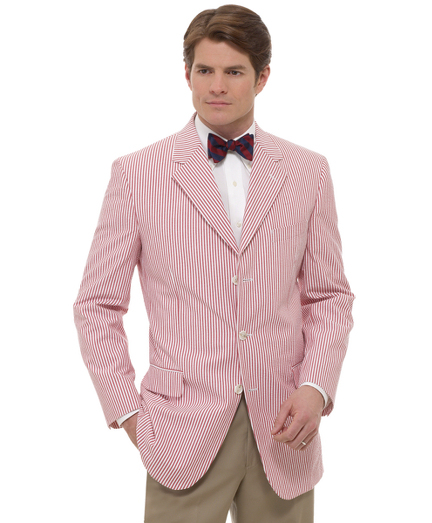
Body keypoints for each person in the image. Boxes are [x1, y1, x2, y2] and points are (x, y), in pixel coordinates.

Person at [73, 4, 355, 522]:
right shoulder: (137, 174)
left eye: (234, 72)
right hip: (179, 429)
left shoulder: (307, 171)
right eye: (204, 70)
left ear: (262, 77)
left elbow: (329, 296)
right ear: (187, 74)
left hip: (285, 425)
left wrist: (316, 387)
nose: (217, 86)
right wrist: (129, 412)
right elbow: (96, 305)